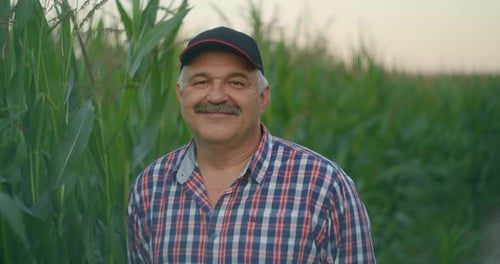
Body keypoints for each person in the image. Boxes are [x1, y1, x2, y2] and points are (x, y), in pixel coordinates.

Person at [127, 26, 376, 263]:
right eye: (201, 82)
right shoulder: (150, 188)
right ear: (181, 95)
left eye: (236, 83)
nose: (215, 96)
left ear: (262, 97)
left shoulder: (324, 187)